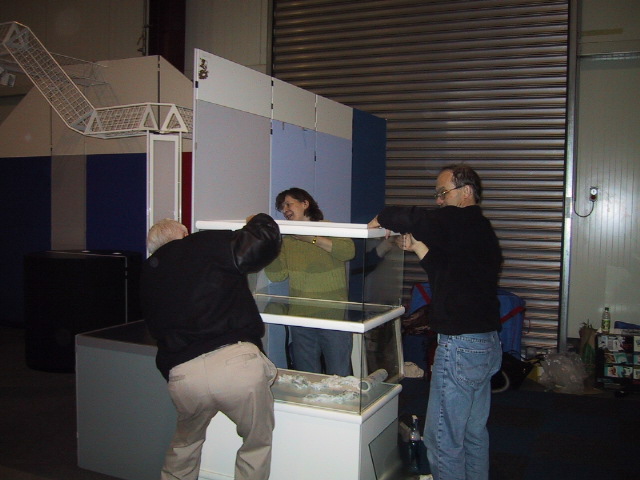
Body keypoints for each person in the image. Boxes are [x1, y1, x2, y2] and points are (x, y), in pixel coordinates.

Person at [368, 164, 502, 480]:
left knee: (442, 440)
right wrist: (417, 247)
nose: (439, 201)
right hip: (485, 344)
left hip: (461, 347)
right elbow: (448, 270)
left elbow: (409, 216)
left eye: (443, 193)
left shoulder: (459, 219)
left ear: (465, 192)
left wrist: (377, 220)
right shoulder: (480, 230)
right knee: (472, 433)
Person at [140, 214, 282, 480]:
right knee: (255, 443)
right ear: (183, 234)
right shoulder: (201, 244)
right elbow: (260, 243)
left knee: (184, 447)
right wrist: (257, 220)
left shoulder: (148, 274)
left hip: (184, 375)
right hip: (236, 364)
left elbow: (157, 329)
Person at [264, 187, 355, 376]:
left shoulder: (329, 227)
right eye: (282, 207)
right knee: (307, 375)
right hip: (300, 315)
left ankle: (339, 406)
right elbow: (277, 275)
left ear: (305, 204)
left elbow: (348, 252)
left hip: (333, 314)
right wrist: (269, 248)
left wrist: (312, 239)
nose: (285, 210)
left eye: (289, 204)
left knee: (339, 373)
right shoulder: (286, 239)